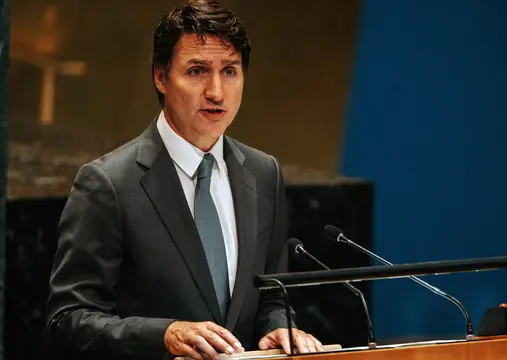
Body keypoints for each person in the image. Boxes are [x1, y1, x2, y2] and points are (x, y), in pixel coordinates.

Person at [44, 1, 323, 359]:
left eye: (230, 72)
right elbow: (67, 320)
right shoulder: (107, 184)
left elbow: (270, 295)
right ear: (160, 77)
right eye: (197, 71)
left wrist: (278, 328)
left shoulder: (263, 172)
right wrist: (164, 334)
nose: (216, 92)